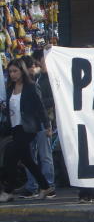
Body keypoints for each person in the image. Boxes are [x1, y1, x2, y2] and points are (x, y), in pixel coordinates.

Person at [0, 59, 54, 202]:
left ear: (22, 71)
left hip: (28, 127)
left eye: (15, 71)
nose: (12, 74)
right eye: (10, 71)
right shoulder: (10, 88)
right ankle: (45, 186)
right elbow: (12, 109)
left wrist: (47, 126)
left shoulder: (30, 87)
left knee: (11, 154)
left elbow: (40, 107)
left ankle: (8, 190)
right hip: (15, 127)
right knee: (27, 159)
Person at [18, 53, 55, 199]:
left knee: (44, 154)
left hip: (42, 120)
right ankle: (32, 186)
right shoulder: (24, 83)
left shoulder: (45, 79)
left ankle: (49, 185)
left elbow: (52, 99)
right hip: (28, 122)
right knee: (30, 155)